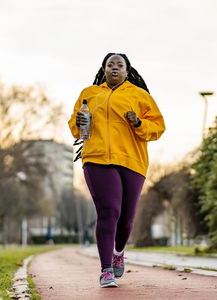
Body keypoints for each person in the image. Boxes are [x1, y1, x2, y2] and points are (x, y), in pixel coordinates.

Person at [68, 53, 166, 288]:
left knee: (126, 220)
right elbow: (75, 126)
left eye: (119, 65)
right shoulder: (89, 94)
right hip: (97, 159)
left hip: (132, 160)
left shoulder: (140, 96)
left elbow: (159, 127)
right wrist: (79, 124)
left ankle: (118, 251)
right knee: (109, 211)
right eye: (110, 64)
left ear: (127, 70)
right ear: (103, 69)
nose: (114, 68)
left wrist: (138, 123)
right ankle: (106, 270)